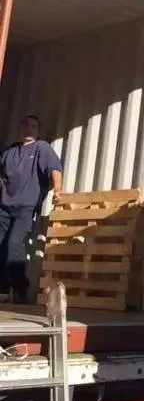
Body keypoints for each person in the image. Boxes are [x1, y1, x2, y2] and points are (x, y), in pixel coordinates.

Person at [0, 115, 63, 302]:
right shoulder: (10, 151)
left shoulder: (42, 148)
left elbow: (55, 169)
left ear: (38, 131)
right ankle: (3, 288)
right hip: (4, 206)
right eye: (27, 125)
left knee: (14, 245)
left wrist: (58, 189)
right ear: (21, 128)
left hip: (26, 207)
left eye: (34, 126)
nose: (30, 129)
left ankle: (21, 289)